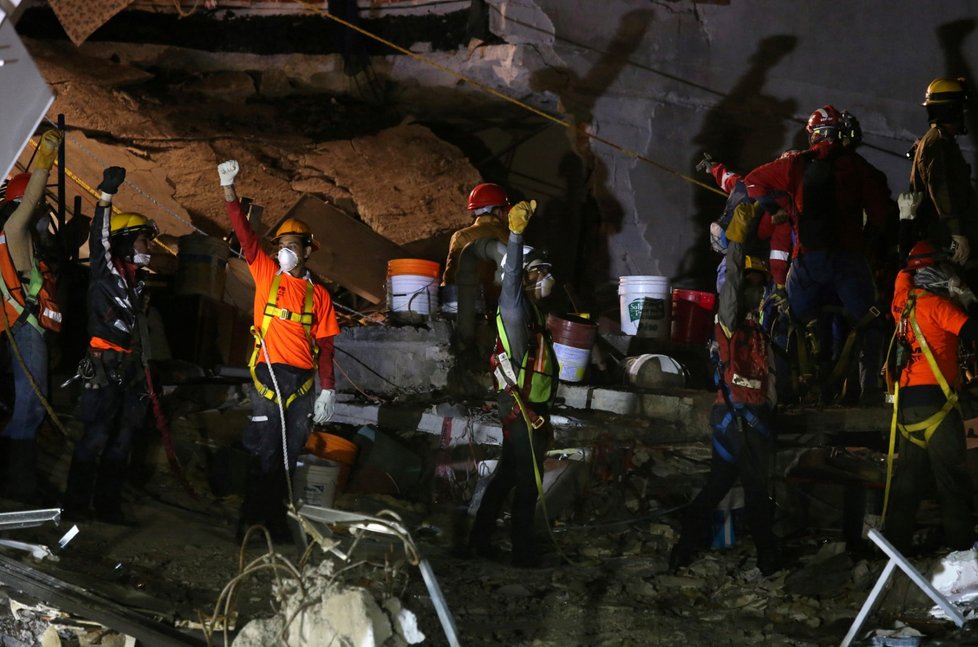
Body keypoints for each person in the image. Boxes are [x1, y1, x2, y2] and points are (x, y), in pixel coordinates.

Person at [217, 159, 340, 541]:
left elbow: (326, 345)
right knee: (265, 452)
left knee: (289, 455)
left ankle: (274, 522)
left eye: (291, 246)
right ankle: (250, 526)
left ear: (307, 251)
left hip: (301, 382)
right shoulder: (267, 274)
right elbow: (246, 237)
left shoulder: (319, 295)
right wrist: (229, 191)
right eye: (281, 246)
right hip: (268, 375)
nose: (284, 252)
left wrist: (328, 389)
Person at [744, 105, 898, 405]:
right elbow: (880, 216)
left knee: (783, 322)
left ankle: (779, 392)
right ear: (841, 134)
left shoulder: (797, 165)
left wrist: (774, 207)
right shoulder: (859, 167)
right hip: (849, 264)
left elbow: (752, 182)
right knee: (869, 324)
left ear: (813, 136)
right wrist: (867, 246)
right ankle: (870, 391)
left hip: (807, 266)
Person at [669, 227, 781, 576]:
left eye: (759, 285)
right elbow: (730, 286)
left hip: (745, 417)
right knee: (757, 490)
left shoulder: (758, 331)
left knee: (718, 485)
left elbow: (769, 379)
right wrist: (735, 245)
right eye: (750, 284)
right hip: (737, 417)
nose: (755, 290)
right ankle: (768, 561)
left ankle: (684, 549)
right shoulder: (730, 324)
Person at [468, 198, 559, 568]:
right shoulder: (517, 310)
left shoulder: (534, 314)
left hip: (528, 409)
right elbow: (510, 285)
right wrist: (517, 236)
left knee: (507, 477)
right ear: (523, 276)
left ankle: (479, 542)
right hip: (522, 411)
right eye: (539, 272)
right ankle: (522, 551)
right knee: (526, 483)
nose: (546, 277)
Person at [62, 166, 156, 523]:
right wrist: (105, 197)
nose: (148, 247)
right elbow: (98, 237)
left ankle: (107, 506)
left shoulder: (138, 283)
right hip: (104, 366)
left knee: (122, 439)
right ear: (123, 242)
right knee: (95, 437)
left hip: (130, 367)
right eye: (142, 240)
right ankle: (75, 506)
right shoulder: (107, 272)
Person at [883, 240, 978, 554]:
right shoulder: (939, 307)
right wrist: (968, 298)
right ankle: (963, 555)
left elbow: (903, 271)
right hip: (939, 404)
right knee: (952, 484)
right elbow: (971, 331)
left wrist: (907, 226)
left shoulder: (901, 303)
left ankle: (894, 554)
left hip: (907, 409)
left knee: (906, 485)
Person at [0, 129, 64, 502]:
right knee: (31, 404)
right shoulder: (14, 228)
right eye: (41, 209)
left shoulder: (27, 243)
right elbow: (34, 194)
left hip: (30, 328)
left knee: (31, 404)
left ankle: (17, 479)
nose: (45, 216)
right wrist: (48, 152)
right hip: (25, 328)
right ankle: (17, 484)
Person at [904, 77, 977, 272]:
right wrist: (957, 234)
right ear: (952, 110)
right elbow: (941, 188)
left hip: (944, 232)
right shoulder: (938, 143)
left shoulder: (936, 140)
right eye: (960, 108)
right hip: (944, 235)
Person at [442, 182, 510, 312]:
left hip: (473, 313)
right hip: (506, 313)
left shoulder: (462, 236)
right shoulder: (513, 239)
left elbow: (450, 278)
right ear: (498, 212)